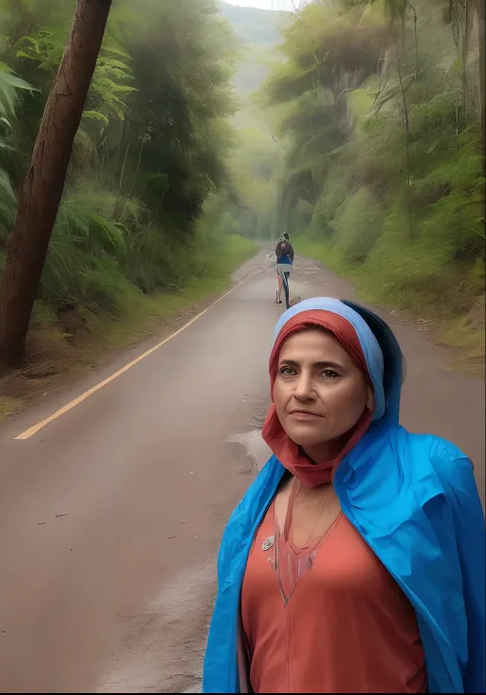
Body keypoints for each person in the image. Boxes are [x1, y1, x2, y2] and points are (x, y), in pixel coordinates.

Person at [202, 297, 485, 694]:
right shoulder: (252, 512)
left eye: (329, 373)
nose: (301, 391)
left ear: (372, 391)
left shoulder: (431, 475)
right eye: (288, 371)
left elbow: (476, 623)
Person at [275, 233, 294, 307]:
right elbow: (292, 255)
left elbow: (277, 254)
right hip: (288, 265)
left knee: (283, 283)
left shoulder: (279, 244)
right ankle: (287, 302)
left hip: (280, 266)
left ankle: (286, 302)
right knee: (285, 282)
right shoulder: (289, 245)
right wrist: (291, 263)